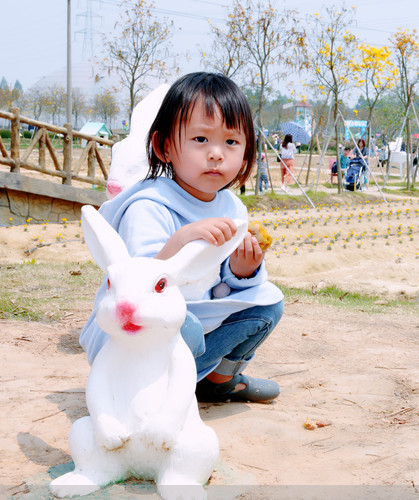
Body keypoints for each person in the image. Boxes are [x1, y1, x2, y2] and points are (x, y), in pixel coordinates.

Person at [78, 72, 284, 403]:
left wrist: (243, 271)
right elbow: (136, 282)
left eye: (230, 142)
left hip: (194, 327)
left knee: (268, 306)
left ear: (246, 154)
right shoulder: (149, 206)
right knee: (183, 325)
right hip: (138, 339)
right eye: (201, 139)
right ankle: (146, 390)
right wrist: (181, 240)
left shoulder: (232, 208)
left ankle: (216, 380)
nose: (217, 153)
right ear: (164, 147)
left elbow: (224, 288)